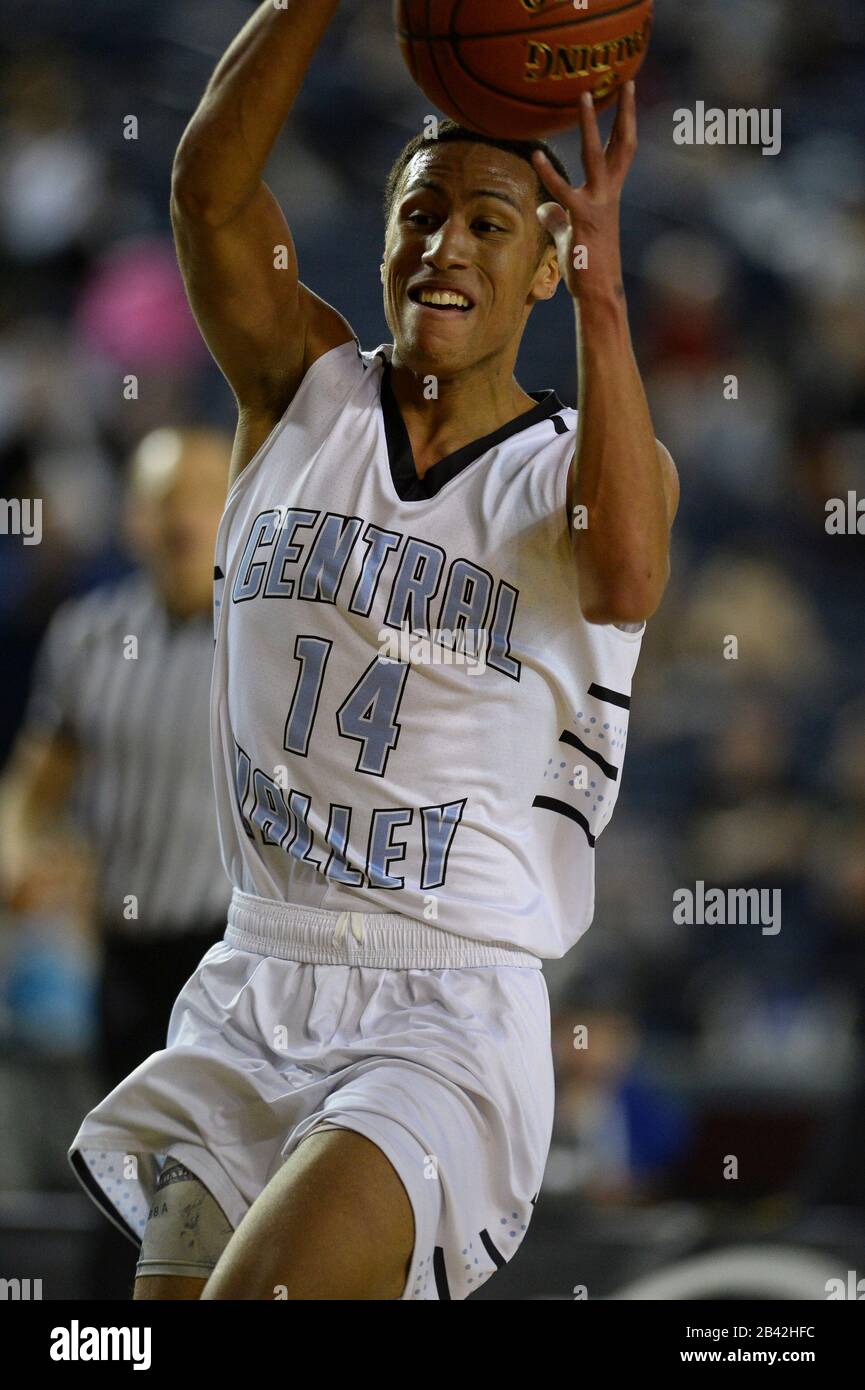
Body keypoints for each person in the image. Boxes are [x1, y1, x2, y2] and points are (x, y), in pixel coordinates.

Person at [68, 0, 678, 1302]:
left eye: (487, 224)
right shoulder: (305, 390)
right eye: (418, 213)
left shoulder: (569, 470)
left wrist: (607, 290)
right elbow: (208, 193)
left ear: (542, 264)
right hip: (255, 973)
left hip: (439, 1006)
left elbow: (625, 572)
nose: (441, 244)